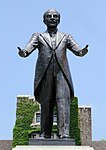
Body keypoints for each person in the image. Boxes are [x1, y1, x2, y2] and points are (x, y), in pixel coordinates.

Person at [18, 9, 88, 139]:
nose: (52, 18)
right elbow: (29, 47)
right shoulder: (38, 36)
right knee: (46, 102)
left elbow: (77, 48)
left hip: (62, 73)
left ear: (59, 20)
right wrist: (24, 52)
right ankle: (45, 134)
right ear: (44, 20)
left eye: (55, 16)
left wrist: (81, 51)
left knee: (63, 101)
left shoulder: (66, 37)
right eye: (49, 16)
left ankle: (64, 133)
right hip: (45, 73)